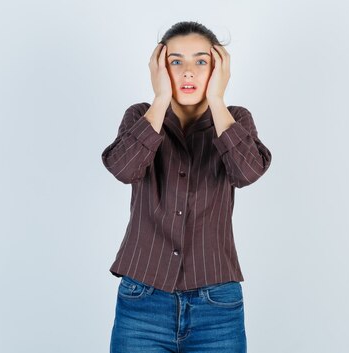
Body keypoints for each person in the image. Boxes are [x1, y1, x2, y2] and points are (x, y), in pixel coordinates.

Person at [101, 21, 272, 353]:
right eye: (176, 61)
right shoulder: (141, 115)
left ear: (218, 68)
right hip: (142, 300)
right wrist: (161, 98)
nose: (188, 72)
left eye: (201, 61)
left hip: (217, 305)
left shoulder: (235, 119)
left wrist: (218, 101)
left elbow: (247, 172)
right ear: (160, 67)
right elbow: (123, 168)